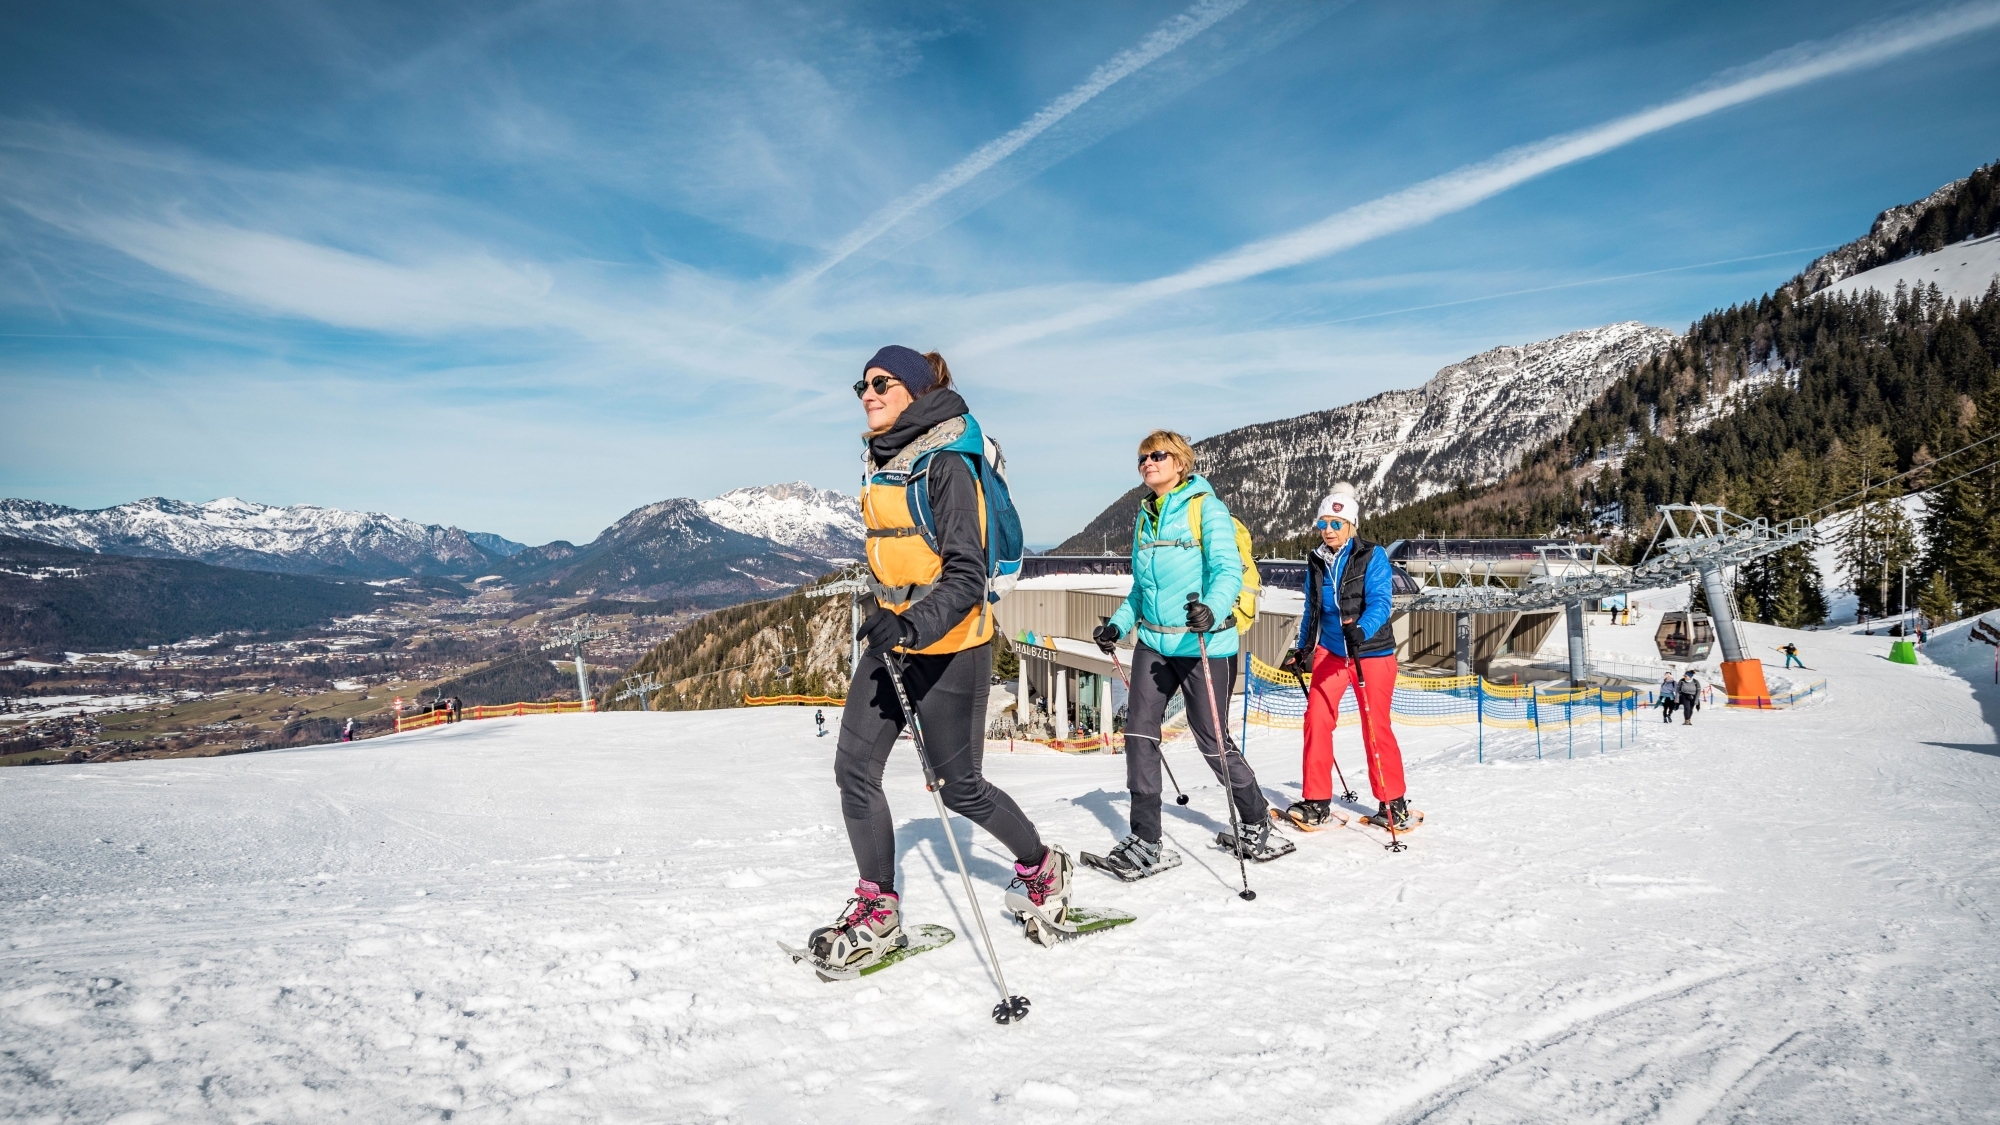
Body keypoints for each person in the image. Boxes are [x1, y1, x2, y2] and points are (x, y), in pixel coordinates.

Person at [808, 345, 1070, 971]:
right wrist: (891, 620)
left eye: (882, 383)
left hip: (953, 643)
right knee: (855, 770)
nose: (867, 394)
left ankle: (1042, 868)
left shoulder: (948, 462)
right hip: (895, 638)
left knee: (962, 789)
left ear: (917, 391)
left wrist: (909, 622)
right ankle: (879, 907)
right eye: (861, 385)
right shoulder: (884, 456)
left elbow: (966, 573)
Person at [1089, 430, 1281, 875]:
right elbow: (1141, 588)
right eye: (1142, 457)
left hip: (1204, 644)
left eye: (1157, 455)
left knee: (1211, 741)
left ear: (1179, 462)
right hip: (1154, 642)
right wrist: (1118, 624)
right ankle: (1145, 838)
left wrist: (1212, 611)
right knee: (1138, 734)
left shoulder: (1205, 508)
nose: (1147, 463)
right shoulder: (1144, 517)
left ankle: (1255, 818)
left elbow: (1228, 570)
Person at [1278, 485, 1411, 831]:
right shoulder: (1316, 559)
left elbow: (1381, 601)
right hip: (1333, 652)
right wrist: (1304, 648)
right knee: (1316, 719)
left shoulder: (1372, 555)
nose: (1329, 530)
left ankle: (1393, 801)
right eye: (1324, 523)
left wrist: (1362, 629)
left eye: (1336, 523)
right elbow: (1313, 609)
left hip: (1371, 652)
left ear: (1351, 525)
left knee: (1375, 726)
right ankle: (1317, 801)